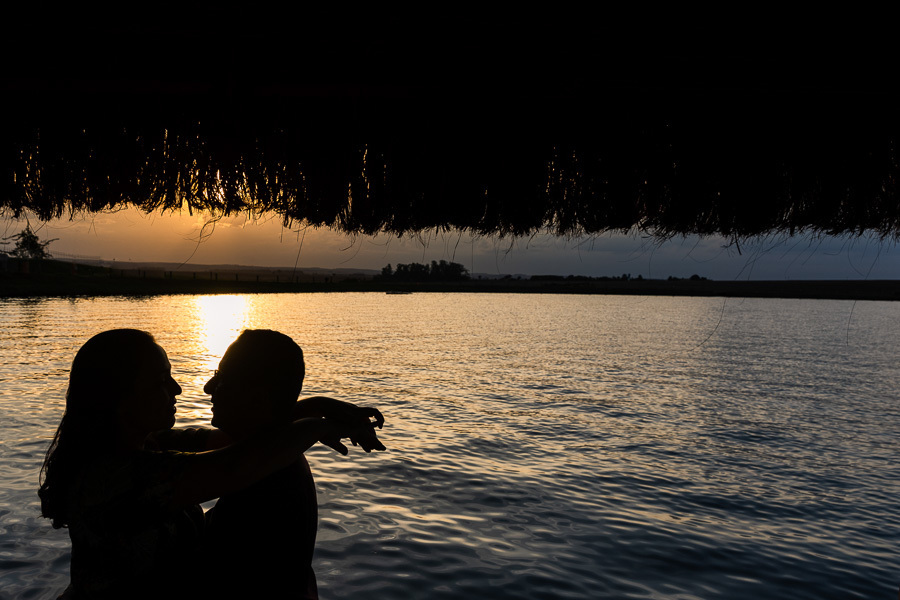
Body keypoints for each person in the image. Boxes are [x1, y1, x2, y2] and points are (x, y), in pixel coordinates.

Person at [38, 329, 384, 599]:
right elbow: (235, 463)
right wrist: (319, 424)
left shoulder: (150, 445)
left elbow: (248, 439)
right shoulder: (113, 476)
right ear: (119, 400)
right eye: (162, 381)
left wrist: (315, 406)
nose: (181, 389)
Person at [201, 329, 383, 599]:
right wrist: (314, 412)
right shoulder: (268, 460)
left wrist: (314, 418)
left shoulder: (263, 475)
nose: (207, 387)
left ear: (258, 397)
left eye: (221, 379)